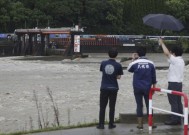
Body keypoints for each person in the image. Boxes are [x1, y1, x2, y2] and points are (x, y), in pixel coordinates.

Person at [127, 46, 157, 130]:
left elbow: (129, 69)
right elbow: (153, 76)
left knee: (139, 105)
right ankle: (152, 123)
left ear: (137, 54)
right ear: (145, 53)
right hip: (148, 87)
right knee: (149, 105)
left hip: (137, 87)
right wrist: (154, 86)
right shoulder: (151, 63)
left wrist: (133, 59)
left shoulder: (135, 63)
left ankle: (140, 125)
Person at [158, 38, 185, 125]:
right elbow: (167, 55)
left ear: (174, 53)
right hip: (179, 83)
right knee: (177, 102)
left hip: (173, 84)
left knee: (173, 102)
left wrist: (162, 43)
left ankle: (174, 119)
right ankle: (180, 117)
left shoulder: (176, 60)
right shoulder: (180, 60)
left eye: (171, 52)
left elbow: (167, 53)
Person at [97, 48, 123, 129]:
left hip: (104, 87)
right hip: (114, 87)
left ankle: (101, 124)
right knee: (112, 107)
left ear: (108, 54)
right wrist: (114, 75)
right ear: (116, 55)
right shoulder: (118, 65)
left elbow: (103, 71)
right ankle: (111, 124)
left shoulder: (103, 63)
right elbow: (119, 77)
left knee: (102, 107)